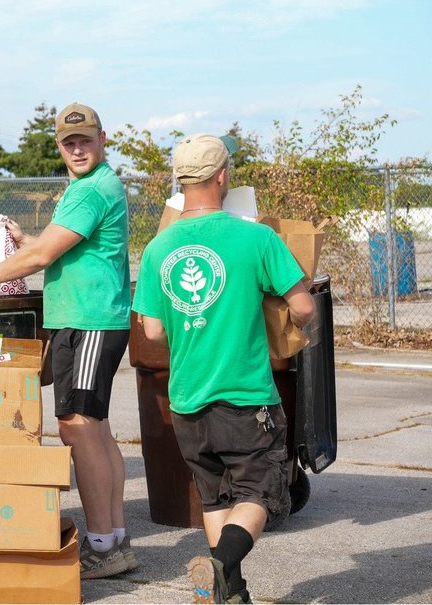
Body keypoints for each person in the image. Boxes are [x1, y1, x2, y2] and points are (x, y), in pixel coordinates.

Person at [132, 133, 315, 603]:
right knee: (260, 495)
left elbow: (152, 331)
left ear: (181, 180)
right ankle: (220, 566)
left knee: (215, 498)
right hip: (245, 395)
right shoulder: (256, 237)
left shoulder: (158, 248)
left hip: (188, 398)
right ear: (221, 176)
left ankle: (231, 595)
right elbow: (304, 308)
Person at [0, 103, 134, 579]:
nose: (78, 148)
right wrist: (29, 236)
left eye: (85, 140)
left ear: (102, 139)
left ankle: (103, 544)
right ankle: (113, 538)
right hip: (87, 319)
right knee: (94, 427)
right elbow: (59, 247)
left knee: (77, 427)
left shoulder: (92, 189)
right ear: (60, 146)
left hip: (90, 321)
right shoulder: (87, 188)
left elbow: (40, 258)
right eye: (69, 142)